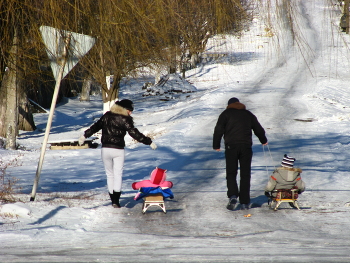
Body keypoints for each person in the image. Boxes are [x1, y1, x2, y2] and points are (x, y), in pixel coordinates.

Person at [78, 99, 157, 208]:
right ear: (124, 109)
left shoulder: (106, 116)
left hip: (105, 149)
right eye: (130, 110)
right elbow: (134, 133)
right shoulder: (125, 119)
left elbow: (96, 126)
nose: (131, 112)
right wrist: (149, 141)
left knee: (109, 174)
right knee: (118, 174)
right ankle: (116, 201)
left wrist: (85, 135)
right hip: (118, 150)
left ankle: (113, 200)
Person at [213, 97, 268, 210]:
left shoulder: (225, 114)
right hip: (246, 147)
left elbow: (218, 129)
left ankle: (233, 195)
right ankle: (244, 201)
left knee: (231, 173)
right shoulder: (248, 114)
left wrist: (216, 145)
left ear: (229, 105)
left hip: (231, 147)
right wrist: (263, 140)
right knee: (245, 174)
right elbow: (258, 129)